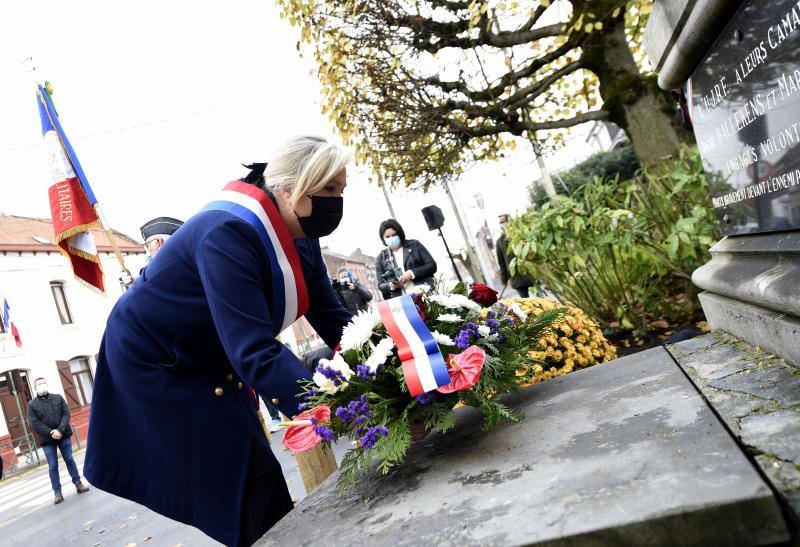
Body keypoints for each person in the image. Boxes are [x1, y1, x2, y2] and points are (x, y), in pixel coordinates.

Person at [84, 136, 353, 547]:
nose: (337, 202)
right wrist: (343, 411)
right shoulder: (229, 232)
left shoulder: (301, 231)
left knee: (255, 477)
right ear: (289, 189)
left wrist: (389, 366)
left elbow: (333, 317)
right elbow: (254, 350)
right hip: (161, 366)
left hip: (211, 355)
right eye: (329, 190)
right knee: (250, 483)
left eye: (341, 190)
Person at [27, 378, 90, 504]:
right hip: (47, 439)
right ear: (35, 388)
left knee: (69, 459)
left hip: (63, 435)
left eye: (43, 383)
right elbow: (34, 423)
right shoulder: (32, 405)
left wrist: (60, 430)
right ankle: (57, 493)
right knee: (53, 466)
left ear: (47, 384)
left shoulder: (58, 398)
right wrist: (51, 432)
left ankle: (78, 484)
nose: (41, 386)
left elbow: (66, 413)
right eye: (38, 384)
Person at [375, 219, 437, 299]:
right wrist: (392, 285)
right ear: (383, 239)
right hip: (402, 299)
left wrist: (411, 273)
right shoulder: (381, 258)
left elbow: (432, 265)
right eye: (387, 237)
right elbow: (380, 284)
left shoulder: (414, 245)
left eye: (394, 235)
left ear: (399, 234)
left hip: (425, 293)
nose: (391, 238)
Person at [496, 213, 536, 298]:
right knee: (526, 303)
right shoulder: (499, 242)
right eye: (500, 223)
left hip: (530, 273)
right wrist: (504, 281)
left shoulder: (521, 234)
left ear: (509, 221)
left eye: (503, 221)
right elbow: (502, 263)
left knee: (541, 299)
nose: (502, 224)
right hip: (516, 278)